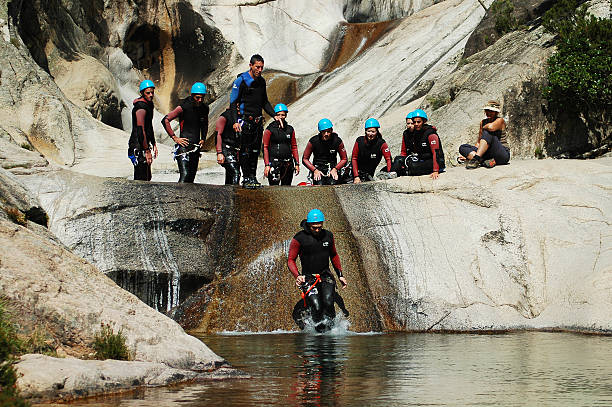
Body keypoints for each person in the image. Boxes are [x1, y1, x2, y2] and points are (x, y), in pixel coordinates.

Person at [287, 209, 348, 332]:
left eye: (319, 227)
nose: (317, 230)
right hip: (309, 277)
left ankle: (332, 330)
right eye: (314, 227)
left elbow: (334, 255)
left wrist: (340, 275)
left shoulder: (328, 236)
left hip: (325, 275)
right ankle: (318, 332)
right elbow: (290, 260)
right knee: (317, 305)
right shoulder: (299, 238)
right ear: (309, 225)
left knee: (329, 301)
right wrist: (297, 276)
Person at [229, 54, 280, 188]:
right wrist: (235, 121)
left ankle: (253, 177)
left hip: (257, 122)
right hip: (245, 121)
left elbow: (264, 101)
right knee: (245, 151)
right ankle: (246, 178)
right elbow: (233, 102)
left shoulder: (261, 82)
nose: (260, 70)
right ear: (250, 66)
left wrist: (274, 115)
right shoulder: (241, 81)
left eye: (262, 67)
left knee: (255, 151)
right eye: (257, 67)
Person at [161, 82, 209, 183]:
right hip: (184, 147)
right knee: (185, 175)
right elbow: (165, 120)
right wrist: (175, 138)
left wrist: (203, 138)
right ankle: (178, 198)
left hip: (195, 147)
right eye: (197, 97)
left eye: (202, 97)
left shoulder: (204, 108)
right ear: (192, 96)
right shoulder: (183, 107)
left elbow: (204, 124)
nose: (200, 100)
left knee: (191, 177)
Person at [391, 109, 444, 179]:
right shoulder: (416, 133)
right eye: (414, 122)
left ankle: (403, 173)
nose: (416, 124)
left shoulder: (431, 134)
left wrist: (435, 171)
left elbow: (436, 152)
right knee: (398, 159)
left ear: (424, 121)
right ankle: (391, 175)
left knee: (413, 166)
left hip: (434, 161)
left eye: (418, 122)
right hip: (422, 160)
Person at [459, 100, 510, 169]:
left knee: (487, 132)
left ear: (496, 112)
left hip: (502, 154)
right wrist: (469, 153)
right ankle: (483, 161)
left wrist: (483, 127)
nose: (488, 113)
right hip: (487, 154)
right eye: (487, 111)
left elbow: (490, 127)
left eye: (491, 111)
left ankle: (476, 159)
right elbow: (479, 142)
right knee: (463, 147)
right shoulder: (483, 122)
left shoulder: (500, 120)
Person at [302, 119, 348, 185]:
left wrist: (335, 169)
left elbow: (344, 159)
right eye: (324, 132)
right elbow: (304, 159)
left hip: (332, 168)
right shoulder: (314, 141)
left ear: (332, 130)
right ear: (320, 131)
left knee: (333, 183)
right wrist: (314, 170)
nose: (326, 134)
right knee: (319, 184)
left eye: (328, 131)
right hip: (318, 168)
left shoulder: (337, 141)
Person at [128, 80, 158, 181]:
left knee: (147, 177)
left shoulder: (149, 105)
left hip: (143, 144)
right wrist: (146, 150)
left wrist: (153, 143)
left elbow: (149, 126)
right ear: (142, 93)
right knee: (141, 178)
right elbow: (141, 130)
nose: (151, 95)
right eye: (148, 93)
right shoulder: (140, 107)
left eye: (152, 92)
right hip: (138, 145)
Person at [263, 103, 300, 185]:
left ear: (286, 115)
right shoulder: (269, 129)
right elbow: (265, 147)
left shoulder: (290, 129)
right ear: (275, 115)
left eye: (283, 115)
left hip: (288, 163)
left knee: (287, 188)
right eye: (278, 115)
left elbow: (294, 147)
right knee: (274, 189)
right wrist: (267, 165)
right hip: (274, 163)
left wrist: (297, 163)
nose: (280, 117)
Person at [351, 118, 392, 183]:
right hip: (356, 172)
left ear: (377, 132)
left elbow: (388, 159)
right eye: (368, 131)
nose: (370, 134)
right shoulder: (359, 141)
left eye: (373, 132)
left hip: (369, 174)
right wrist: (356, 176)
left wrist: (390, 173)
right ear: (365, 131)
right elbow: (354, 158)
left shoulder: (381, 143)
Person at [216, 108, 242, 185]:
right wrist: (219, 152)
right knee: (236, 173)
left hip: (236, 150)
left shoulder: (243, 116)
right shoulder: (225, 116)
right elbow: (218, 134)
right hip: (226, 149)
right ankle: (235, 195)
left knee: (230, 175)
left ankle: (227, 194)